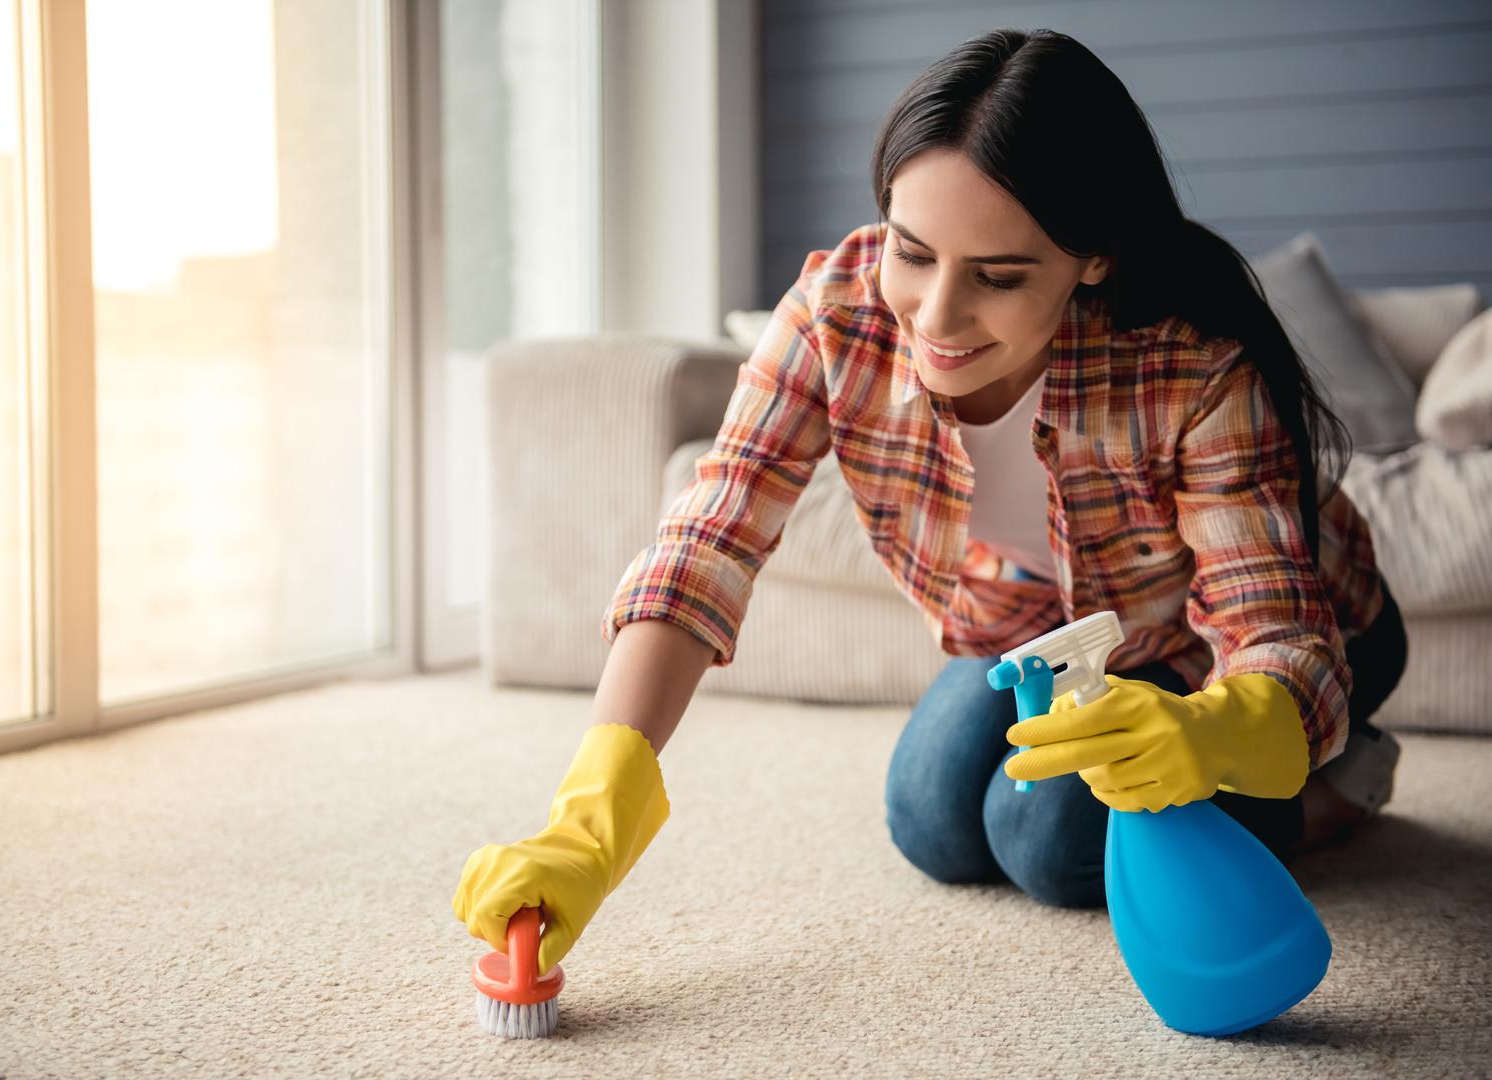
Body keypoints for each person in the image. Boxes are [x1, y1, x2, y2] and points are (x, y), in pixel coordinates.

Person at [451, 28, 1408, 974]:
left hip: (1253, 641)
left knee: (1044, 839)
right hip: (1035, 624)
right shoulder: (836, 312)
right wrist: (588, 820)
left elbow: (1277, 635)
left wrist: (1213, 731)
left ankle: (1339, 783)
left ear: (1094, 258)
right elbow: (708, 541)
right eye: (913, 253)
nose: (937, 320)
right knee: (935, 821)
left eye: (998, 276)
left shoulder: (1189, 363)